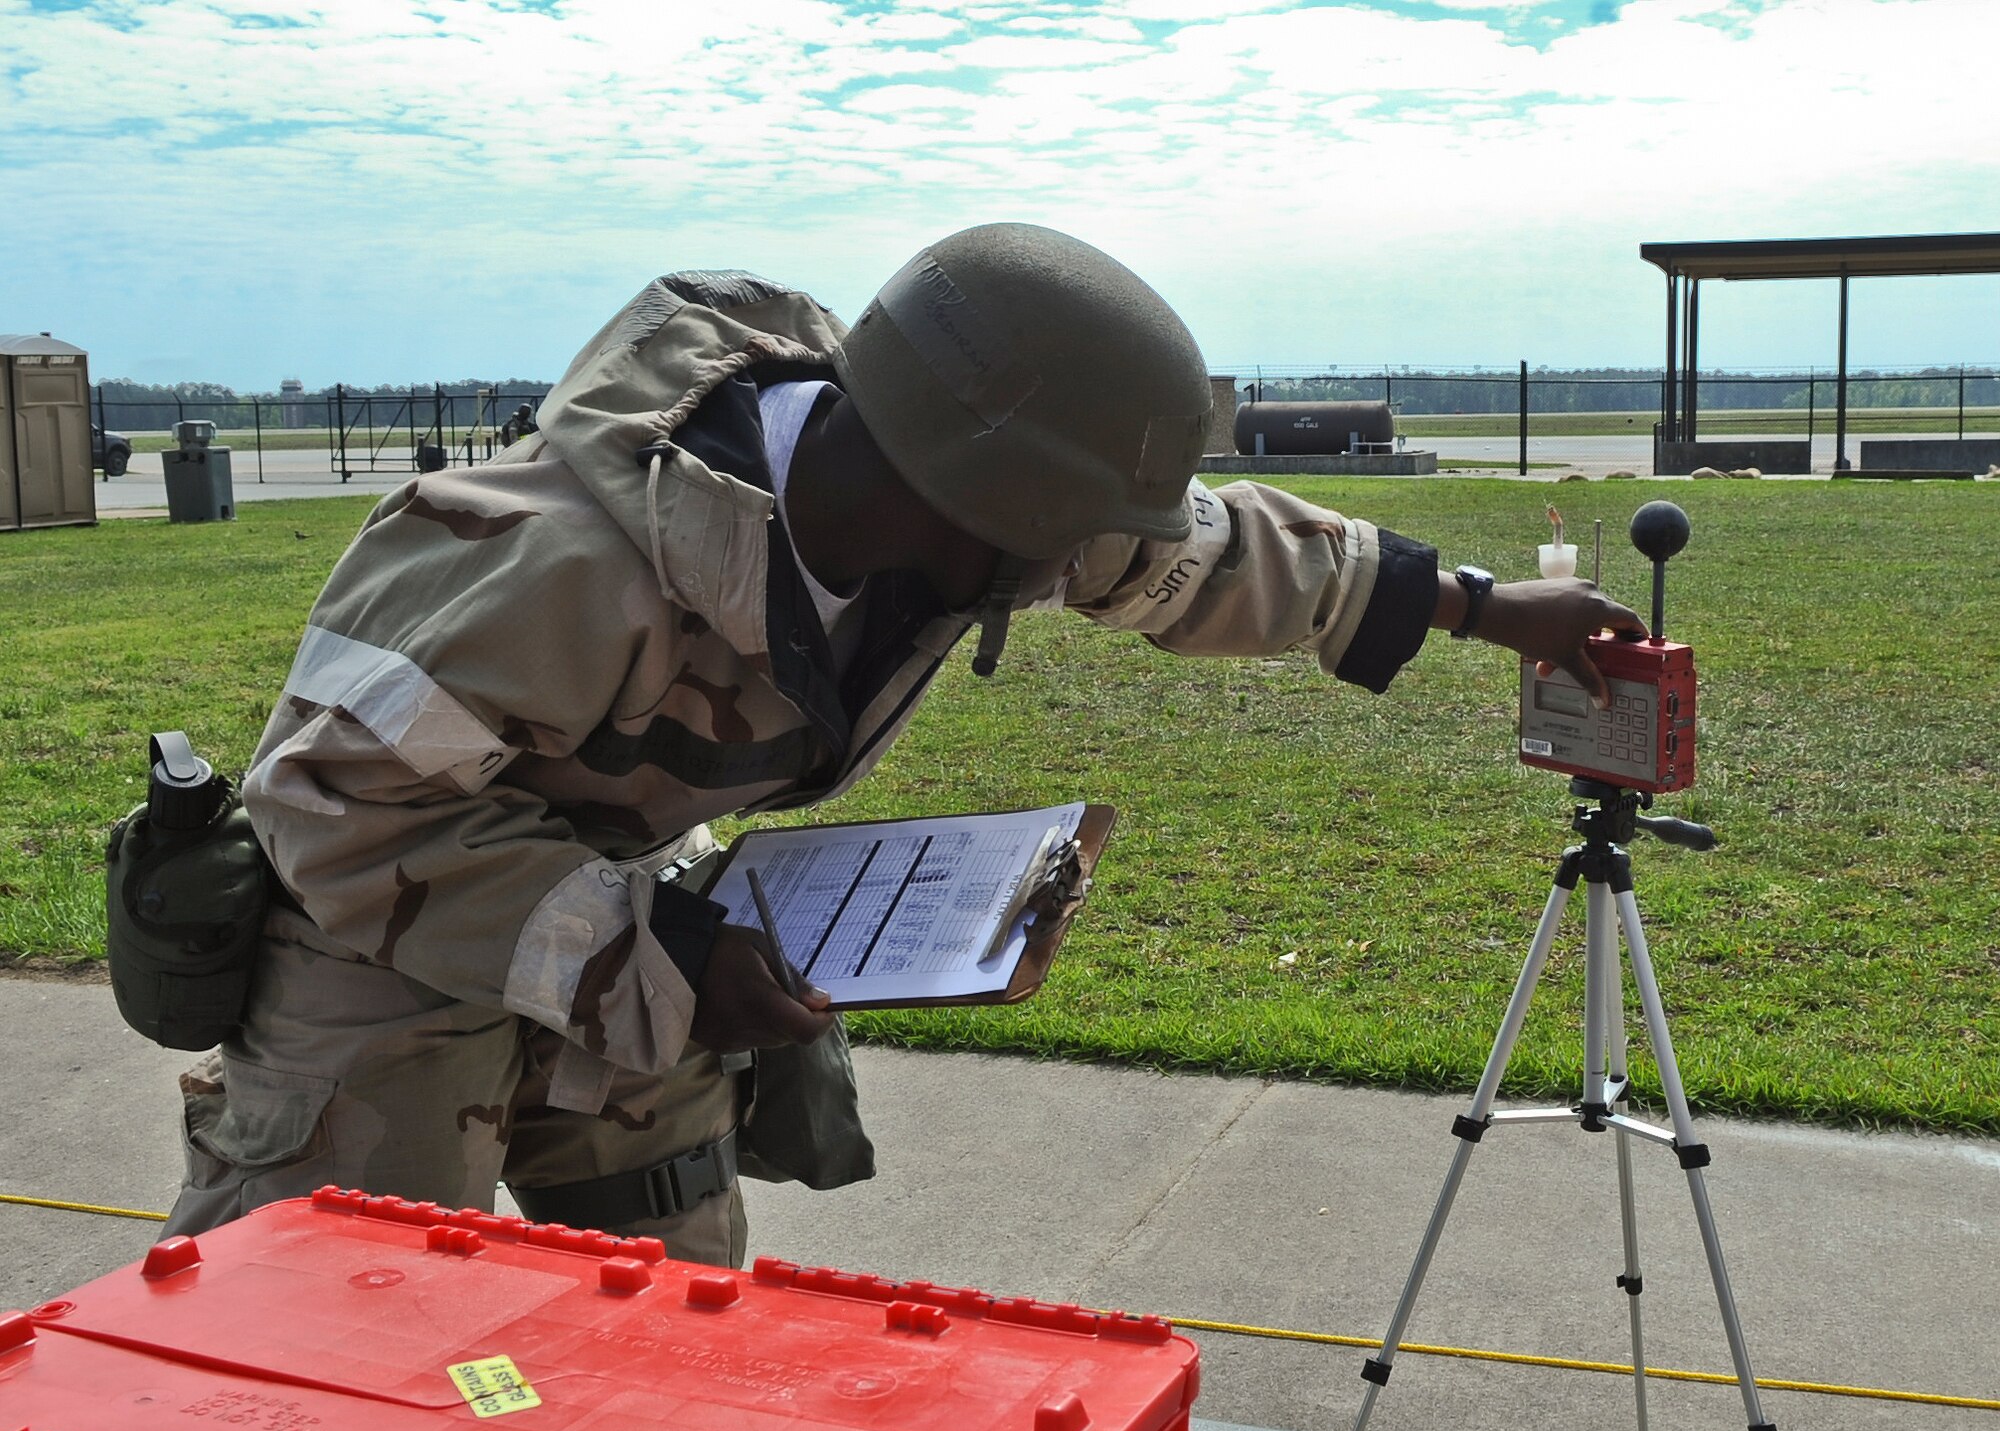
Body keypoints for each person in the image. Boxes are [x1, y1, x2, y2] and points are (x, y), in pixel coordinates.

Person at [162, 223, 1643, 1266]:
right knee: (316, 1334)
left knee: (665, 1323)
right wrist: (655, 959)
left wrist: (1475, 606)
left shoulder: (970, 504)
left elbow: (1199, 553)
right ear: (967, 502)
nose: (1086, 573)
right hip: (385, 945)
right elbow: (338, 819)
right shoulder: (544, 564)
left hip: (635, 906)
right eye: (1063, 543)